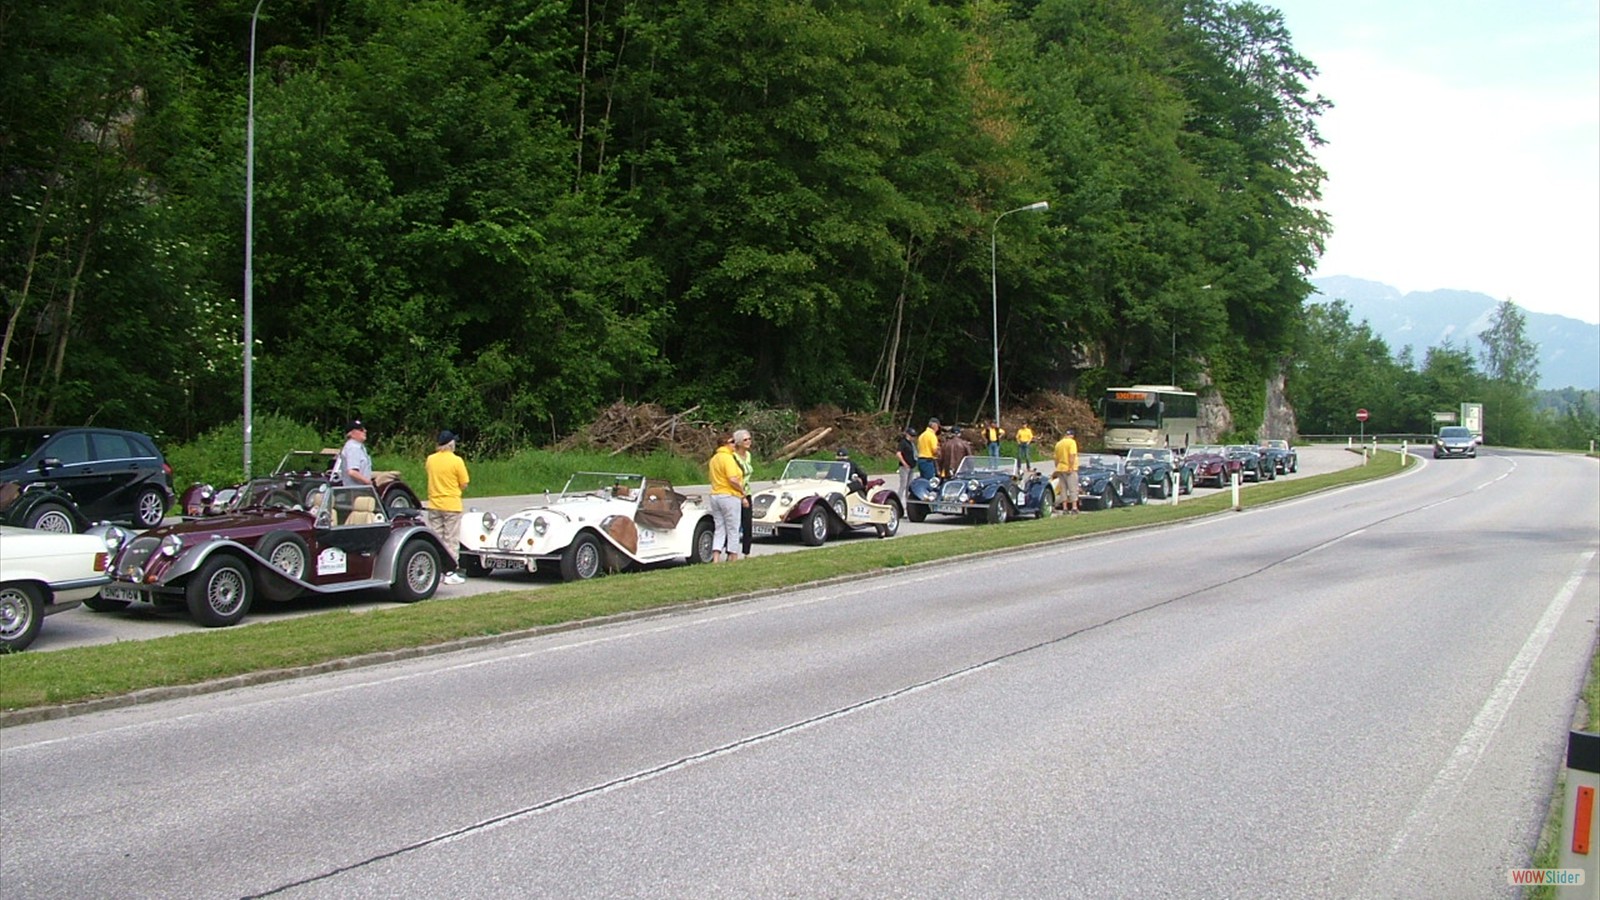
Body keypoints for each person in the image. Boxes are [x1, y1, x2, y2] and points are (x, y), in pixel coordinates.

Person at [425, 430, 471, 585]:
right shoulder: (457, 461)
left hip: (434, 503)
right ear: (451, 444)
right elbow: (464, 483)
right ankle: (450, 571)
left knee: (437, 538)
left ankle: (437, 569)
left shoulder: (430, 459)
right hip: (451, 504)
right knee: (451, 539)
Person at [707, 434, 745, 562]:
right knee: (733, 527)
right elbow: (732, 479)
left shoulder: (714, 458)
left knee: (719, 527)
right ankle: (733, 555)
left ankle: (716, 557)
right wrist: (742, 491)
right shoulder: (727, 458)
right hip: (729, 495)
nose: (735, 444)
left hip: (715, 495)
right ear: (725, 444)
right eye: (732, 442)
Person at [733, 429, 755, 556]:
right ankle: (731, 553)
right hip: (736, 493)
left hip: (747, 491)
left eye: (749, 439)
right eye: (745, 439)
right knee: (734, 524)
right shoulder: (733, 456)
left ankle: (746, 552)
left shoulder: (749, 455)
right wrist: (741, 496)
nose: (748, 442)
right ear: (739, 442)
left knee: (747, 524)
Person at [333, 419, 374, 486]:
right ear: (351, 434)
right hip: (355, 490)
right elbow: (352, 472)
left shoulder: (359, 447)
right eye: (361, 430)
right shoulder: (353, 448)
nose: (365, 431)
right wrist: (369, 483)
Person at [1053, 427, 1080, 514]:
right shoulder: (1072, 443)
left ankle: (1064, 508)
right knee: (1073, 488)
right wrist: (1071, 467)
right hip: (1069, 468)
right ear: (1072, 435)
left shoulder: (1059, 444)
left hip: (1060, 468)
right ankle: (1074, 507)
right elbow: (1072, 455)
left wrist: (1057, 467)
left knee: (1063, 489)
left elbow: (1055, 458)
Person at [895, 425, 917, 499]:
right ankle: (898, 499)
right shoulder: (903, 442)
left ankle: (908, 501)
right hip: (904, 467)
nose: (913, 437)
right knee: (903, 485)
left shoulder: (911, 444)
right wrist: (904, 463)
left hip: (911, 467)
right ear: (907, 434)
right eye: (911, 436)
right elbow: (898, 453)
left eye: (914, 436)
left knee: (909, 485)